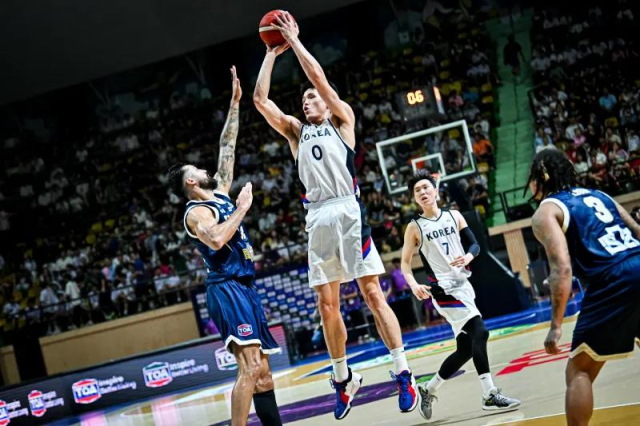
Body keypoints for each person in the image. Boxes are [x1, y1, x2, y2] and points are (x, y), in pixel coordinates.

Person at [253, 12, 419, 419]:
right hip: (317, 217)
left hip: (348, 211)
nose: (308, 99)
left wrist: (294, 42)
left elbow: (320, 78)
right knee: (327, 307)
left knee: (372, 294)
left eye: (313, 97)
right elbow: (260, 100)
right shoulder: (295, 131)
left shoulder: (342, 120)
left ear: (326, 105)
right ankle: (344, 381)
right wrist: (272, 54)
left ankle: (403, 372)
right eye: (304, 98)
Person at [167, 67, 282, 426]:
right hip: (226, 288)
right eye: (199, 169)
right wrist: (244, 208)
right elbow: (216, 238)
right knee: (249, 366)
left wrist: (234, 103)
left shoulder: (218, 194)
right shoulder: (196, 212)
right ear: (191, 181)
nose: (207, 169)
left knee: (263, 372)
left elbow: (227, 146)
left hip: (245, 286)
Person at [528, 149, 640, 426]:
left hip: (611, 279)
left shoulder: (547, 210)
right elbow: (637, 231)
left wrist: (555, 324)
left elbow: (562, 268)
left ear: (540, 177)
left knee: (579, 370)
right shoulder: (600, 195)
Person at [400, 170, 521, 421]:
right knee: (481, 332)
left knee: (465, 349)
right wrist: (413, 285)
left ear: (435, 190)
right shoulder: (415, 227)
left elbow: (474, 244)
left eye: (425, 187)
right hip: (443, 290)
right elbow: (404, 264)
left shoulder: (454, 216)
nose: (422, 192)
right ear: (414, 198)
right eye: (417, 191)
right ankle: (490, 394)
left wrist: (468, 256)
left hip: (463, 285)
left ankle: (428, 388)